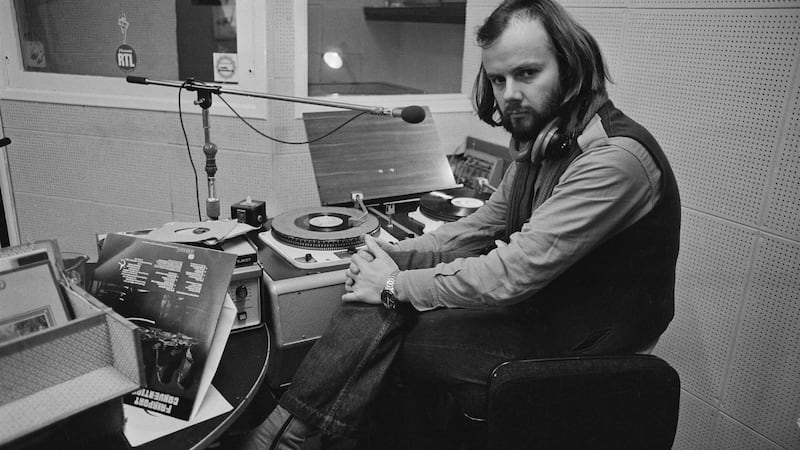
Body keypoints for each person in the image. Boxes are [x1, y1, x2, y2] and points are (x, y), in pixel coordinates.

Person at [241, 0, 680, 448]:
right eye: (497, 78)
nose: (509, 93)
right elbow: (482, 226)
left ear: (570, 66)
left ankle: (290, 431)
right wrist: (390, 258)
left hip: (582, 345)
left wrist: (395, 284)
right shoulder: (547, 138)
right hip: (542, 312)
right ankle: (299, 432)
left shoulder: (614, 160)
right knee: (384, 305)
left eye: (527, 73)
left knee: (397, 322)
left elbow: (513, 271)